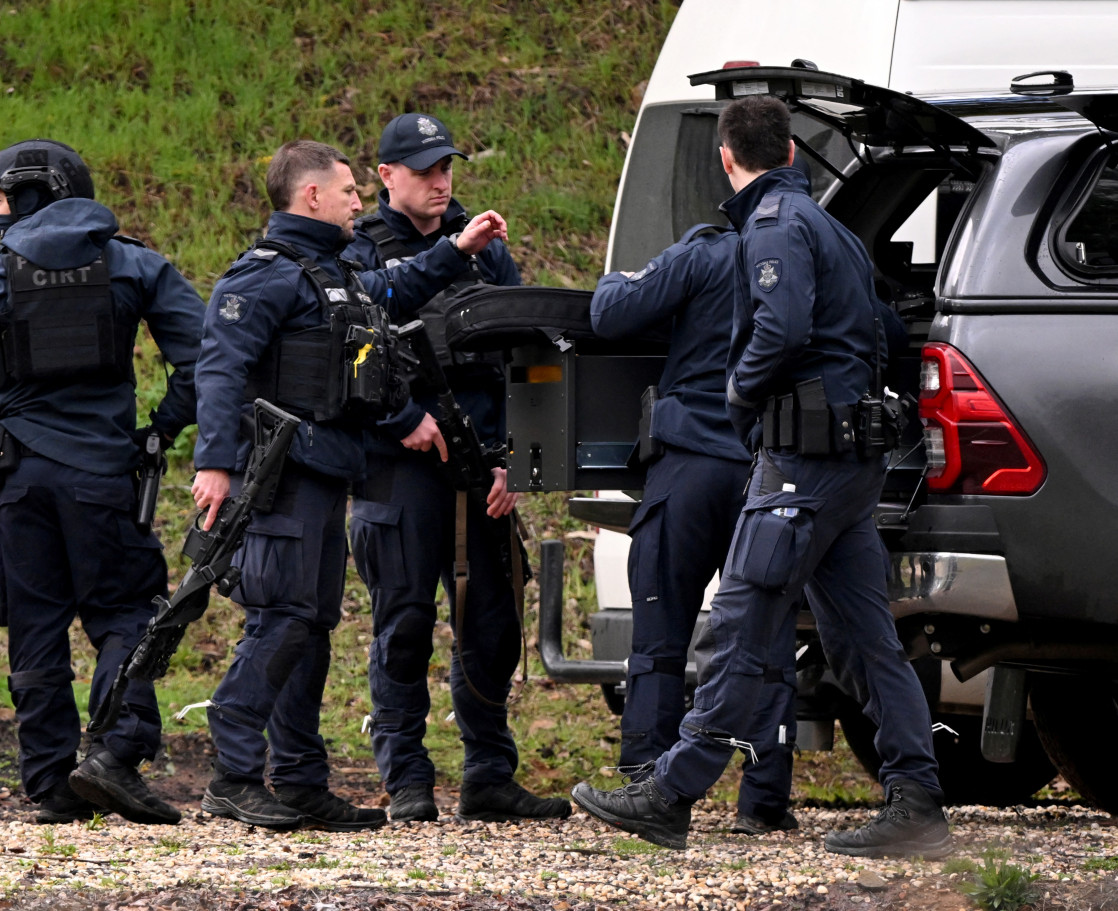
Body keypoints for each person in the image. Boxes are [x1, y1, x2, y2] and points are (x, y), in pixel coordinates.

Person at [571, 95, 952, 859]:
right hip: (848, 466)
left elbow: (780, 329)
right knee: (865, 640)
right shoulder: (836, 230)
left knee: (740, 619)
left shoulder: (773, 226)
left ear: (725, 157)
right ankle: (916, 799)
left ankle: (670, 793)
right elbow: (881, 334)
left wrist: (741, 396)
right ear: (790, 151)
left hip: (802, 465)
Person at [191, 139, 510, 832]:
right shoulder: (264, 276)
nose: (358, 202)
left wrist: (457, 249)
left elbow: (392, 293)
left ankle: (300, 780)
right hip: (279, 476)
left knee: (310, 624)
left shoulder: (330, 272)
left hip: (325, 471)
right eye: (347, 192)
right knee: (282, 619)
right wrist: (214, 463)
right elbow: (218, 369)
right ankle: (233, 774)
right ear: (311, 196)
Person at [0, 139, 204, 826]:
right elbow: (204, 357)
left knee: (34, 625)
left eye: (1, 199)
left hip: (21, 479)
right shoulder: (135, 265)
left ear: (36, 195)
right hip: (103, 475)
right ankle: (114, 755)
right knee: (126, 613)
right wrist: (162, 429)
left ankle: (51, 783)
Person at [345, 113, 571, 823]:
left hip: (481, 466)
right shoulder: (359, 250)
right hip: (400, 464)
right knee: (405, 623)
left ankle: (488, 775)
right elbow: (347, 351)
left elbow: (525, 356)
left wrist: (516, 461)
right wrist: (399, 419)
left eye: (446, 167)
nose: (440, 182)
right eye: (425, 170)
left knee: (492, 624)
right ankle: (407, 776)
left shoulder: (483, 249)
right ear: (386, 176)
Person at [590, 222, 798, 836]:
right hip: (767, 470)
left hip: (689, 467)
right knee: (765, 638)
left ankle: (646, 784)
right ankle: (763, 801)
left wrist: (620, 276)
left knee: (661, 633)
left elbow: (609, 312)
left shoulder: (705, 254)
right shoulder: (803, 258)